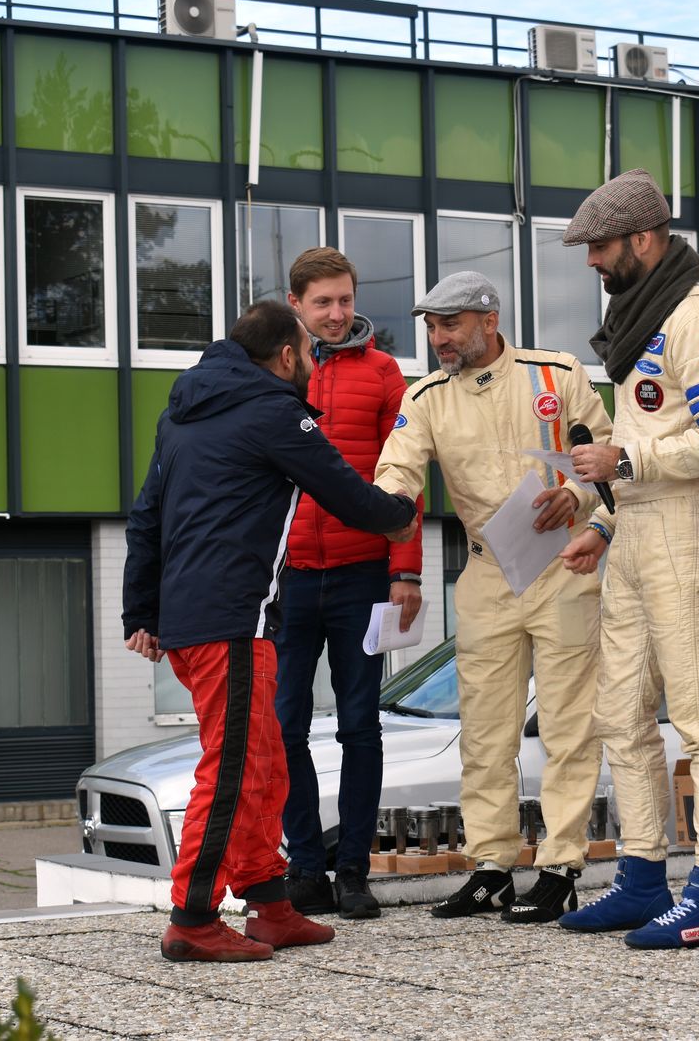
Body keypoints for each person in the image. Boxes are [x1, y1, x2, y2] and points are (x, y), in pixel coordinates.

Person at [122, 300, 418, 963]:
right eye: (310, 353)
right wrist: (399, 515)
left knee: (265, 762)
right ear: (287, 356)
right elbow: (341, 487)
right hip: (231, 620)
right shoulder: (275, 411)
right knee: (230, 771)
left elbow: (146, 516)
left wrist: (140, 612)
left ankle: (269, 903)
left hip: (200, 620)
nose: (314, 365)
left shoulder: (180, 415)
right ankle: (192, 917)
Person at [555, 168, 699, 949]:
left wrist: (627, 464)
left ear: (643, 239)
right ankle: (643, 878)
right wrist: (596, 512)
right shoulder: (645, 317)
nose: (590, 261)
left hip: (686, 528)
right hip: (639, 529)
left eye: (600, 246)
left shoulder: (698, 318)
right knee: (619, 711)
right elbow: (642, 438)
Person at [373, 271, 612, 923]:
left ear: (490, 320)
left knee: (567, 724)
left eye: (450, 324)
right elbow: (397, 467)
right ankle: (492, 867)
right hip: (486, 573)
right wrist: (389, 501)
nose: (438, 338)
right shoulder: (426, 397)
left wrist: (579, 497)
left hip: (563, 564)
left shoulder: (557, 374)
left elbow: (607, 457)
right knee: (483, 731)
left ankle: (560, 867)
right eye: (431, 327)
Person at [276, 248, 423, 921]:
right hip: (288, 580)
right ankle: (306, 867)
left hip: (363, 574)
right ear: (296, 304)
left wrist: (406, 569)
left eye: (345, 300)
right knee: (284, 725)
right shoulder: (275, 369)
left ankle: (355, 870)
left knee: (360, 725)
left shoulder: (384, 371)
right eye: (323, 303)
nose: (337, 314)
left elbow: (407, 473)